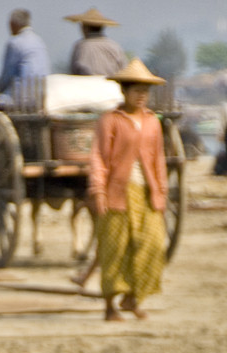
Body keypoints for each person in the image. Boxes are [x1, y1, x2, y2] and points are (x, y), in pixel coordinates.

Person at [89, 58, 168, 322]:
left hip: (146, 193)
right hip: (117, 193)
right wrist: (98, 190)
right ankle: (110, 306)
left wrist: (162, 192)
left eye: (145, 92)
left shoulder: (153, 122)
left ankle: (133, 297)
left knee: (152, 244)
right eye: (137, 91)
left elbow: (158, 159)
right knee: (115, 247)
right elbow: (99, 157)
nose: (142, 96)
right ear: (124, 92)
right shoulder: (110, 121)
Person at [0, 8, 50, 102]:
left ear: (13, 24)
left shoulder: (14, 43)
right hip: (41, 94)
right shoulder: (39, 41)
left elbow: (6, 76)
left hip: (20, 96)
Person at [64, 6, 127, 77]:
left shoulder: (80, 46)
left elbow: (74, 71)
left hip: (85, 84)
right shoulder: (114, 46)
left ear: (85, 28)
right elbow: (124, 70)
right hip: (110, 84)